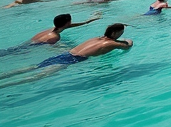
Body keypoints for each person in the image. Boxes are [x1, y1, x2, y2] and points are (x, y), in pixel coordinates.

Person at [0, 24, 134, 89]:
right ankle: (4, 86)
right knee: (40, 75)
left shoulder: (96, 38)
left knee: (34, 67)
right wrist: (128, 40)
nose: (122, 34)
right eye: (121, 32)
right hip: (73, 60)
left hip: (66, 54)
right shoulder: (113, 43)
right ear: (115, 33)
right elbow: (127, 46)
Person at [28, 12, 101, 45]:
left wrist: (90, 20)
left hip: (29, 44)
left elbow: (70, 25)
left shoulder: (52, 29)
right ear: (67, 23)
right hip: (32, 47)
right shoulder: (55, 36)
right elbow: (51, 48)